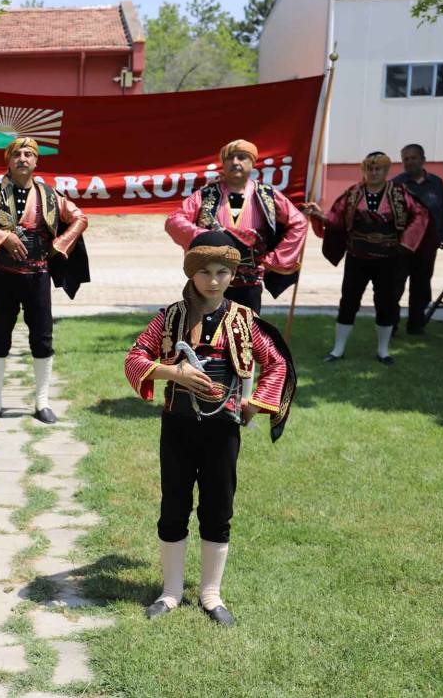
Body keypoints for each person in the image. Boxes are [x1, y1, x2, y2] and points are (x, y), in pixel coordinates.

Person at [124, 231, 296, 627]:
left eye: (222, 272)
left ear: (232, 275)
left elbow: (278, 363)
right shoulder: (170, 316)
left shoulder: (244, 319)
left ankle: (210, 593)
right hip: (178, 428)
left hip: (223, 431)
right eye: (205, 272)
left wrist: (255, 403)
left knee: (218, 507)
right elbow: (135, 356)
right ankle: (170, 592)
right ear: (191, 273)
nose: (213, 280)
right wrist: (173, 372)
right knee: (173, 505)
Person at [0, 136, 88, 425]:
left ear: (36, 161)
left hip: (38, 277)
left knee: (42, 339)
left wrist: (62, 243)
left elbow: (80, 217)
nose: (23, 158)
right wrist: (2, 237)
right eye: (17, 154)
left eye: (28, 154)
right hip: (4, 278)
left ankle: (42, 402)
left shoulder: (51, 195)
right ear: (8, 160)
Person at [305, 151, 428, 364]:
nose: (373, 172)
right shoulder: (353, 193)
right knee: (348, 302)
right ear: (364, 170)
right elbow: (337, 219)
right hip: (357, 257)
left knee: (386, 304)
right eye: (370, 168)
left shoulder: (400, 193)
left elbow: (420, 214)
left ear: (386, 170)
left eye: (378, 168)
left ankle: (383, 351)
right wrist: (321, 216)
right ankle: (338, 349)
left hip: (388, 259)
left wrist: (406, 243)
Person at [166, 139, 309, 312]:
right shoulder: (205, 194)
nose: (235, 162)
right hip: (210, 279)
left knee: (245, 331)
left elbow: (298, 222)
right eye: (230, 158)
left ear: (252, 163)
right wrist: (207, 238)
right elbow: (174, 221)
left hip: (249, 281)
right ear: (223, 164)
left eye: (241, 157)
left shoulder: (267, 194)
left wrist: (275, 259)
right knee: (207, 331)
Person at [392, 144, 443, 334]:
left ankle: (416, 325)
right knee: (395, 286)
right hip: (402, 247)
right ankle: (390, 325)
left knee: (421, 287)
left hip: (428, 247)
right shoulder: (396, 184)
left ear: (423, 160)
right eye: (406, 159)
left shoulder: (437, 183)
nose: (409, 162)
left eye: (413, 158)